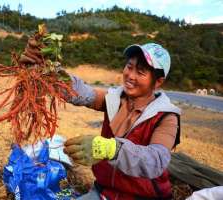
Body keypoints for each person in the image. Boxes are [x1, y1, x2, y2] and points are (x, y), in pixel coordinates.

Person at [63, 43, 181, 200]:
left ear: (158, 82)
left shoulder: (166, 117)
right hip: (105, 192)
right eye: (129, 66)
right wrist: (56, 78)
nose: (130, 75)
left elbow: (156, 160)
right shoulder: (115, 100)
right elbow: (84, 92)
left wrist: (112, 149)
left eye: (140, 72)